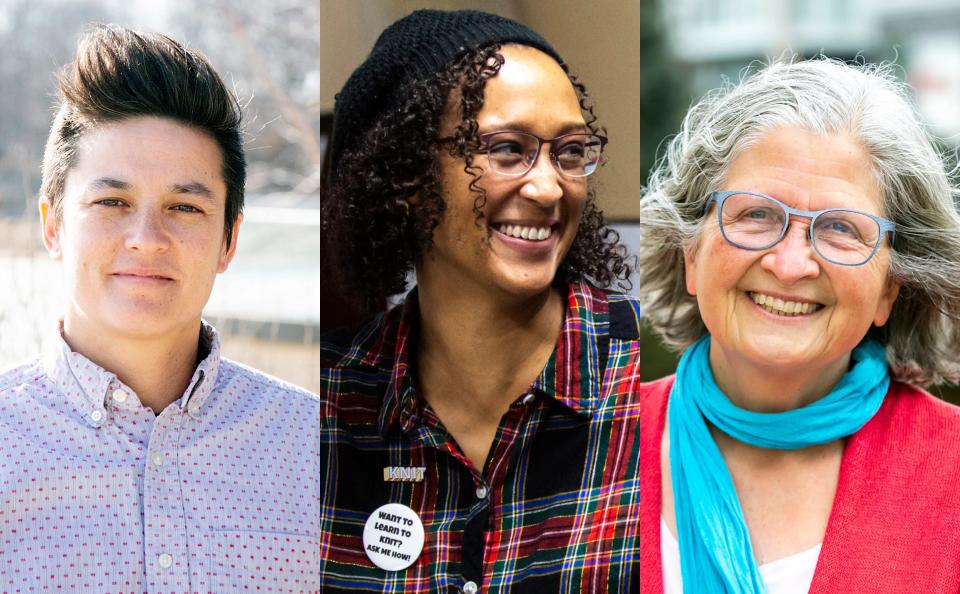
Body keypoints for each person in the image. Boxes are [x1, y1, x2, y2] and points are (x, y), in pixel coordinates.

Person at [321, 9, 640, 593]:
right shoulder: (322, 407)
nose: (548, 187)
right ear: (407, 175)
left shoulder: (646, 391)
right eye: (507, 149)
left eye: (569, 152)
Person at [0, 26, 320, 592]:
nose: (147, 238)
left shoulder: (324, 452)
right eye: (112, 201)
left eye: (185, 207)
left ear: (229, 240)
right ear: (52, 225)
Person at [638, 57, 960, 593]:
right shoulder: (588, 446)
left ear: (890, 288)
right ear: (689, 253)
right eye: (756, 215)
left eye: (840, 229)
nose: (789, 265)